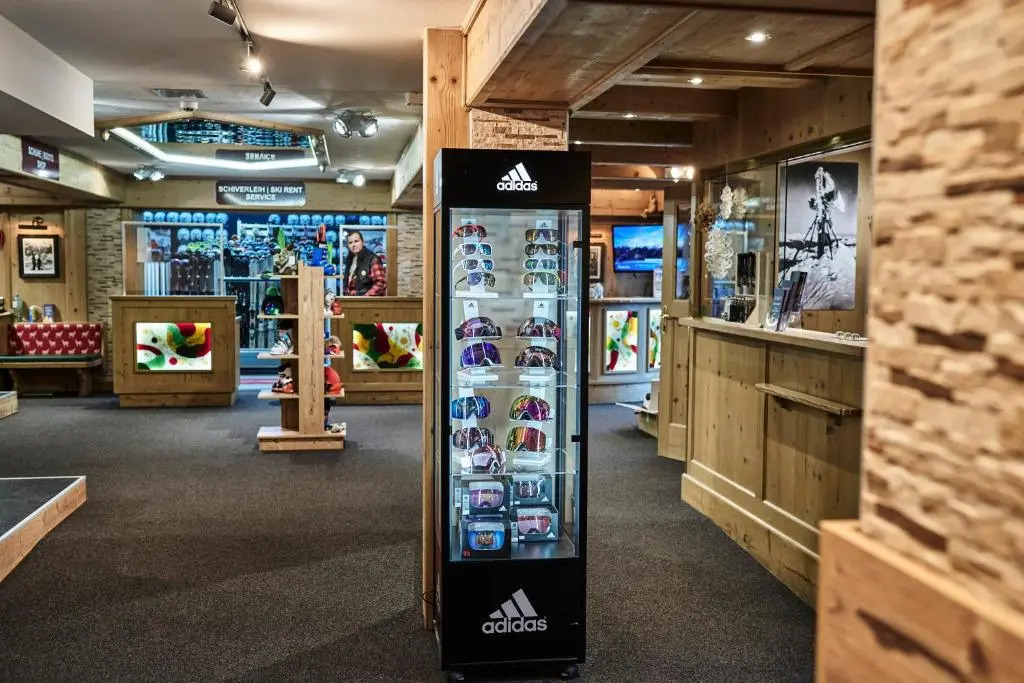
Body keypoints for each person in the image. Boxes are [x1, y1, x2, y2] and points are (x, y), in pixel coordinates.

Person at [343, 231, 386, 296]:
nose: (353, 245)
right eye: (350, 243)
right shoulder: (349, 260)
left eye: (356, 241)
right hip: (350, 300)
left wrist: (365, 297)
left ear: (363, 242)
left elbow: (381, 283)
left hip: (366, 301)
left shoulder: (372, 259)